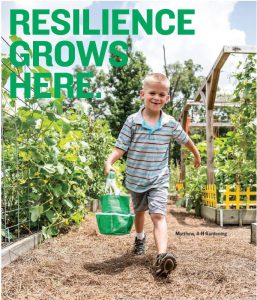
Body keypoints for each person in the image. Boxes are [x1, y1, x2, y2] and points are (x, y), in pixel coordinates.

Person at [105, 73, 201, 278]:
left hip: (159, 178)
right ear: (142, 94)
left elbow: (185, 139)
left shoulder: (170, 123)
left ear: (167, 98)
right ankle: (140, 238)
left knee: (158, 214)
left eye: (161, 94)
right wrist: (109, 161)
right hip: (135, 178)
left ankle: (162, 256)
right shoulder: (132, 121)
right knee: (139, 213)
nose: (156, 97)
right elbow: (120, 147)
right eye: (152, 93)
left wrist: (196, 153)